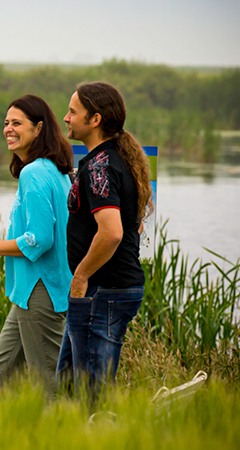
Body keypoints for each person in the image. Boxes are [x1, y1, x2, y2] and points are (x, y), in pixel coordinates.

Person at [56, 82, 153, 399]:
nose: (67, 118)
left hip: (103, 292)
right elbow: (134, 226)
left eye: (73, 112)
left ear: (94, 119)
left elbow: (112, 232)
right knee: (69, 385)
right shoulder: (116, 160)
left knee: (90, 393)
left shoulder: (100, 167)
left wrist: (81, 276)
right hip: (106, 290)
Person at [0, 95, 74, 395]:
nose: (8, 129)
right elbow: (40, 232)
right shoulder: (54, 171)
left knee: (50, 387)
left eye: (17, 123)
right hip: (31, 291)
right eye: (6, 123)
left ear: (38, 128)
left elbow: (41, 239)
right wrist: (3, 243)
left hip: (39, 292)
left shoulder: (34, 173)